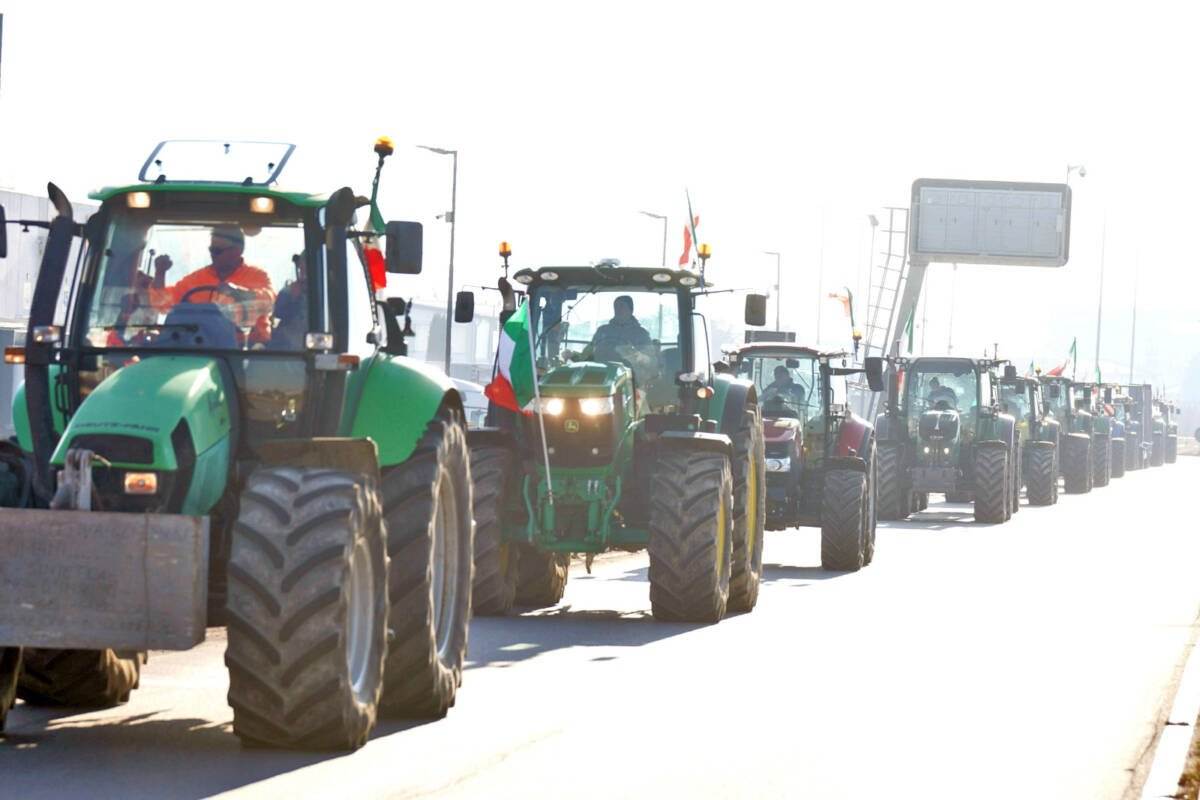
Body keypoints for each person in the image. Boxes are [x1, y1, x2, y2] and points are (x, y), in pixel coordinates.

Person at [149, 225, 275, 345]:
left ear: (237, 251)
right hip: (201, 346)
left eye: (217, 251)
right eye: (211, 250)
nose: (213, 255)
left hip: (247, 347)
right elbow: (162, 305)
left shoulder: (257, 277)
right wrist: (160, 273)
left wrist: (241, 294)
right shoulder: (195, 279)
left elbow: (269, 301)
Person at [586, 295, 652, 363]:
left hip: (630, 372)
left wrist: (639, 356)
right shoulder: (602, 330)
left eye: (621, 306)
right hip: (601, 371)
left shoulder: (641, 334)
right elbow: (589, 352)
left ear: (631, 310)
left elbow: (651, 361)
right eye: (616, 307)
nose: (618, 309)